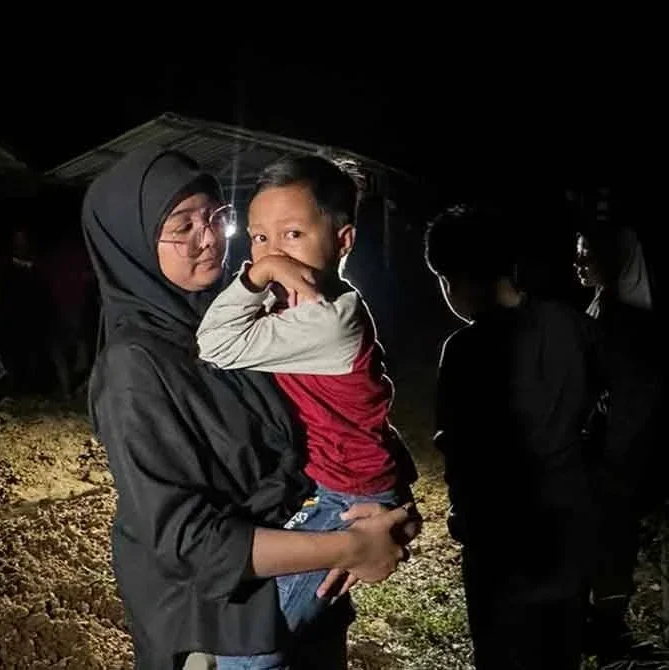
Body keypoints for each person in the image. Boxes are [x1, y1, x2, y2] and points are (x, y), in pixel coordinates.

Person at [83, 145, 418, 670]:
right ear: (133, 242)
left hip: (302, 573)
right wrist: (348, 547)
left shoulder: (256, 318)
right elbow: (189, 542)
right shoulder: (134, 370)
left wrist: (389, 510)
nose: (210, 237)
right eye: (182, 225)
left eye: (217, 216)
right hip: (216, 619)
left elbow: (341, 414)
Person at [195, 155, 419, 668]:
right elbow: (368, 414)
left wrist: (258, 275)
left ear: (343, 241)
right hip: (345, 486)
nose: (274, 252)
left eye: (292, 234)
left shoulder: (323, 320)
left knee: (249, 651)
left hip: (345, 497)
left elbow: (216, 344)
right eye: (258, 238)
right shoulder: (319, 307)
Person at [425, 205, 602, 669]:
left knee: (503, 653)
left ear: (454, 281)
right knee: (560, 650)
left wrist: (464, 518)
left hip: (500, 541)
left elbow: (459, 449)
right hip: (569, 526)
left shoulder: (464, 350)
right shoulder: (572, 323)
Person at [575, 226, 665, 664]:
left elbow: (631, 398)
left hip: (617, 453)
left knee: (613, 539)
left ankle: (606, 632)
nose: (579, 261)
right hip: (602, 449)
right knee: (602, 540)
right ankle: (597, 627)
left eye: (587, 252)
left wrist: (612, 458)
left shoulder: (626, 321)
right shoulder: (602, 307)